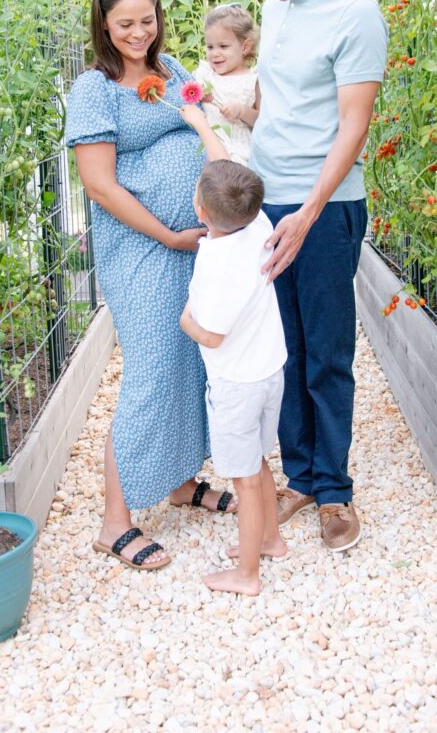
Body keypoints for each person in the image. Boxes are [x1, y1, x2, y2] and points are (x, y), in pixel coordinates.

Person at [65, 0, 236, 573]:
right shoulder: (95, 89)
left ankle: (180, 481)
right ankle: (114, 521)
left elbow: (208, 121)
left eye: (148, 20)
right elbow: (100, 186)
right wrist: (168, 234)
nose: (139, 33)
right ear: (104, 28)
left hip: (194, 246)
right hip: (142, 249)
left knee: (190, 360)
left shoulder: (175, 73)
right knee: (150, 370)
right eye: (125, 24)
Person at [231, 0, 388, 552]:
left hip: (323, 208)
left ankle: (332, 491)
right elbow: (280, 94)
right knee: (282, 347)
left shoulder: (355, 11)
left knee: (325, 352)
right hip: (267, 200)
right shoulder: (276, 4)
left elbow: (354, 124)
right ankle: (298, 473)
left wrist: (307, 212)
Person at [180, 159, 288, 596]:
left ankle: (247, 574)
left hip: (236, 385)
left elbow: (213, 334)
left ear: (200, 211)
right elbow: (224, 166)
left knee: (243, 478)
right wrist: (201, 121)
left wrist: (185, 320)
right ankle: (271, 539)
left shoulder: (215, 264)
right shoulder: (259, 222)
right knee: (258, 461)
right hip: (269, 371)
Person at [193, 3, 260, 165]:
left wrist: (242, 111)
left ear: (245, 47)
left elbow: (262, 121)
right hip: (205, 144)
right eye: (210, 47)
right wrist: (200, 95)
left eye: (223, 46)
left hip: (238, 148)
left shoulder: (252, 80)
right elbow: (188, 95)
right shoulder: (206, 73)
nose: (215, 53)